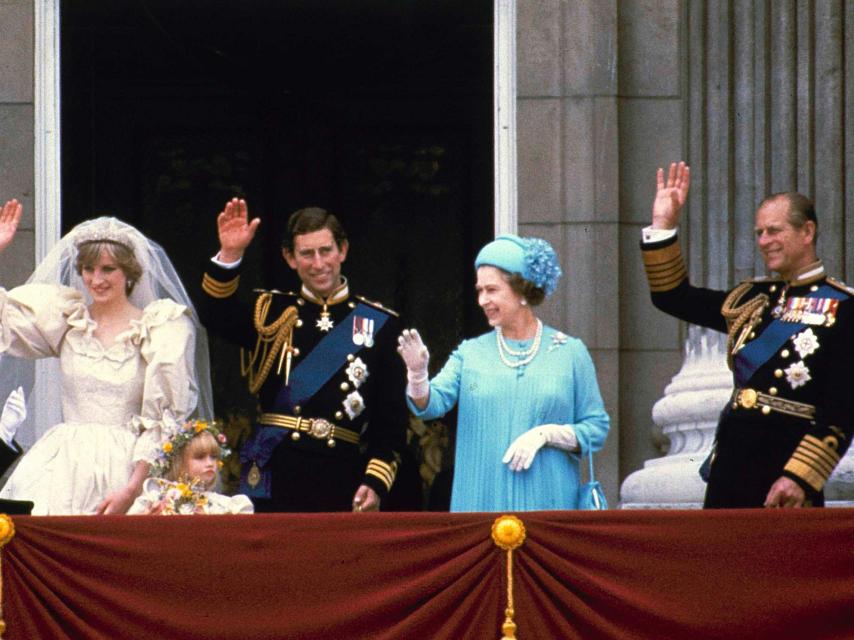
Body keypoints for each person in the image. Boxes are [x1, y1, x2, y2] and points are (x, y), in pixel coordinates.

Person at [641, 162, 854, 508]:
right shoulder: (752, 300)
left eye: (774, 230)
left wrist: (800, 477)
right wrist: (663, 225)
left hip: (787, 474)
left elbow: (842, 409)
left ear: (807, 231)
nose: (764, 241)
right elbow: (672, 297)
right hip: (732, 468)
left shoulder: (843, 307)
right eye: (759, 233)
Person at [0, 198, 213, 515]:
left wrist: (132, 489)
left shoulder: (158, 328)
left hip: (127, 468)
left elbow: (162, 419)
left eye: (108, 269)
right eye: (88, 269)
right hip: (62, 466)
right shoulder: (67, 320)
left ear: (129, 273)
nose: (96, 279)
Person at [198, 199, 406, 512]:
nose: (318, 263)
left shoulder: (380, 325)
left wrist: (374, 482)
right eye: (307, 253)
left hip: (341, 475)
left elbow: (390, 425)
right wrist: (230, 254)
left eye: (326, 251)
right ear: (290, 258)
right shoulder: (269, 311)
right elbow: (214, 314)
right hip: (275, 471)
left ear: (343, 251)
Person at [397, 235, 610, 511]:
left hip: (548, 505)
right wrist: (417, 374)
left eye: (492, 290)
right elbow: (431, 405)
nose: (482, 300)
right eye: (479, 290)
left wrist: (547, 434)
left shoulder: (570, 353)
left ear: (522, 290)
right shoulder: (470, 353)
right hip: (481, 504)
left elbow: (597, 429)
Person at [128, 419, 253, 515]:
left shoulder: (224, 504)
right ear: (180, 463)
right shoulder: (157, 497)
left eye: (214, 457)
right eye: (200, 457)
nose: (210, 463)